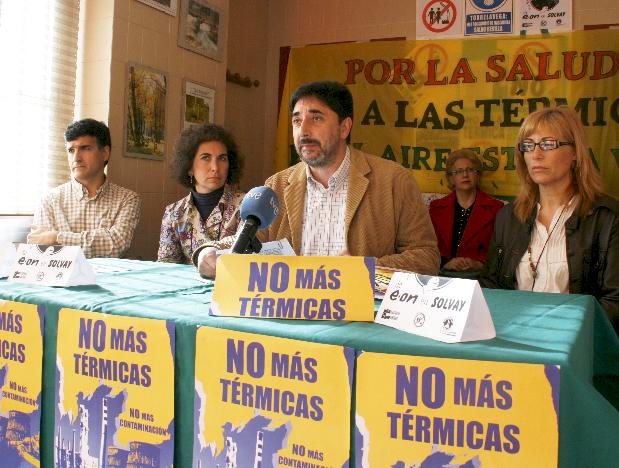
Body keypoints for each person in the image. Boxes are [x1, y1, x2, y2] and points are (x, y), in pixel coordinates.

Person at [195, 80, 440, 278]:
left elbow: (426, 257)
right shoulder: (277, 186)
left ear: (345, 128)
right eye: (297, 120)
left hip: (362, 319)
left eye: (317, 118)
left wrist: (366, 268)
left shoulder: (394, 181)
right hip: (290, 314)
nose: (303, 131)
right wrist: (209, 252)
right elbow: (248, 241)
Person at [480, 106, 619, 333]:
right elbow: (491, 286)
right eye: (528, 146)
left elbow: (614, 302)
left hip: (577, 349)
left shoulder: (607, 217)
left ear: (575, 152)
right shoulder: (509, 216)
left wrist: (563, 333)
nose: (536, 154)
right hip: (514, 341)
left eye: (547, 144)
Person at [28, 119, 141, 258]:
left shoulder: (127, 199)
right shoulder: (49, 200)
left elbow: (116, 245)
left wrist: (56, 237)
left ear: (105, 153)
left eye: (85, 148)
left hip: (109, 279)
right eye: (71, 150)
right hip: (60, 279)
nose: (76, 158)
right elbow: (43, 252)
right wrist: (99, 240)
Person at [157, 124, 245, 264]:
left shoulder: (246, 205)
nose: (215, 168)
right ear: (189, 167)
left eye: (222, 158)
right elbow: (166, 266)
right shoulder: (173, 213)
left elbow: (247, 259)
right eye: (205, 158)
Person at [429, 149, 503, 275]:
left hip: (481, 277)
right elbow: (428, 247)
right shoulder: (436, 208)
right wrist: (445, 263)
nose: (465, 175)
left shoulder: (497, 209)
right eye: (458, 171)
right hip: (443, 274)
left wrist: (479, 263)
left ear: (478, 175)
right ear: (451, 178)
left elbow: (501, 251)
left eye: (470, 170)